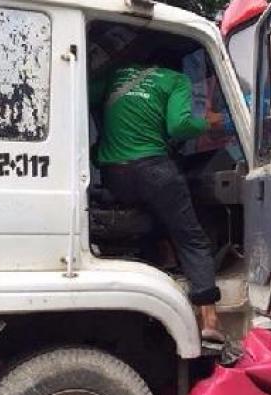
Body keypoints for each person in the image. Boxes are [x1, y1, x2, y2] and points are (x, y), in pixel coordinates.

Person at [95, 53, 226, 342]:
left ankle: (162, 262)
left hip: (113, 174)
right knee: (191, 237)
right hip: (154, 169)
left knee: (149, 215)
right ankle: (209, 319)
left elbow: (90, 98)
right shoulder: (174, 80)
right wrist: (208, 122)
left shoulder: (115, 74)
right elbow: (178, 127)